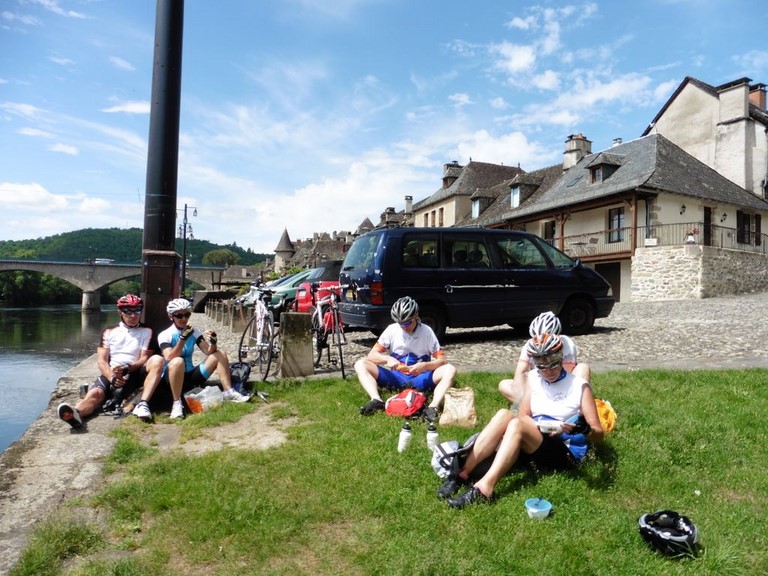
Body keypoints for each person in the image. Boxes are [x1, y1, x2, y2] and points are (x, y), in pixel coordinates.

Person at [438, 332, 604, 509]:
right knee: (504, 414)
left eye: (553, 365)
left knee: (516, 424)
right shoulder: (534, 378)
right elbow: (524, 415)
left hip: (566, 452)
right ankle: (461, 475)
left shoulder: (579, 386)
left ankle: (485, 488)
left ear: (561, 358)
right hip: (540, 438)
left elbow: (599, 434)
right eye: (541, 367)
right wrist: (543, 426)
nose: (548, 372)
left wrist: (585, 429)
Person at [57, 294, 165, 428]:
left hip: (135, 372)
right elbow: (102, 361)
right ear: (120, 312)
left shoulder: (147, 331)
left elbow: (144, 358)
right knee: (95, 394)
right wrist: (112, 377)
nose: (133, 315)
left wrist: (127, 368)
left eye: (137, 311)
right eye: (128, 311)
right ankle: (76, 414)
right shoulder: (108, 331)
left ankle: (142, 404)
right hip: (112, 372)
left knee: (157, 360)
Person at [354, 296, 456, 423]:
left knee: (450, 370)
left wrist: (424, 366)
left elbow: (442, 360)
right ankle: (376, 400)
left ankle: (432, 407)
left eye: (407, 323)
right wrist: (387, 359)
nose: (404, 327)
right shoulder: (392, 330)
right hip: (396, 377)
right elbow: (372, 355)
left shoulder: (427, 331)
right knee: (360, 364)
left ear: (416, 316)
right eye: (400, 323)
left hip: (420, 378)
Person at [158, 298, 249, 419]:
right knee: (177, 361)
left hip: (190, 375)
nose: (184, 319)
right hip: (172, 378)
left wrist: (213, 342)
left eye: (187, 315)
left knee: (220, 353)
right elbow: (169, 357)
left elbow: (208, 351)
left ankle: (228, 392)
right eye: (179, 316)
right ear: (171, 317)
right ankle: (176, 403)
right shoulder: (165, 335)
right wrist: (182, 339)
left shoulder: (194, 332)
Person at [499, 311, 591, 409]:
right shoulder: (528, 346)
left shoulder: (567, 343)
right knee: (504, 384)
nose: (541, 341)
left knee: (583, 368)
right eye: (537, 338)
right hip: (538, 384)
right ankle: (532, 407)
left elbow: (565, 375)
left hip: (563, 387)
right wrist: (521, 394)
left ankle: (574, 405)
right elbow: (520, 373)